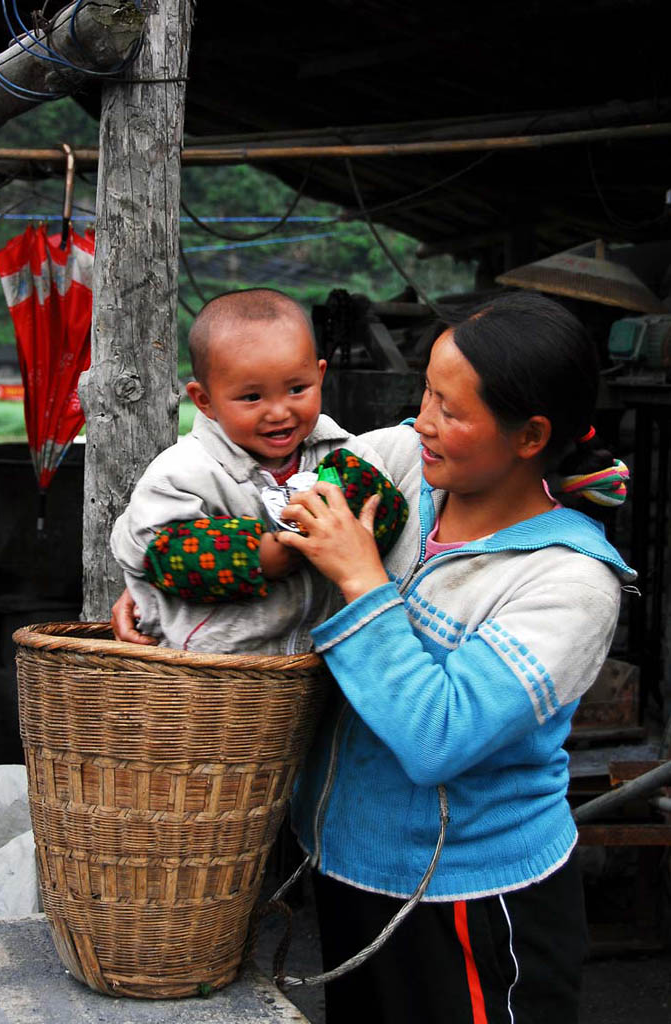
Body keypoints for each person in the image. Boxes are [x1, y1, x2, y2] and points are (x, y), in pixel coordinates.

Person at [267, 291, 634, 1023]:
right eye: (426, 393)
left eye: (450, 411)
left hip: (472, 900)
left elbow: (437, 737)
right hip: (351, 870)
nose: (421, 422)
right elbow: (286, 504)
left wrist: (362, 576)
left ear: (529, 436)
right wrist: (165, 596)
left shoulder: (568, 581)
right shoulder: (402, 463)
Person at [109, 287, 406, 654]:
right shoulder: (184, 471)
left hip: (318, 666)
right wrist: (257, 555)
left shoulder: (344, 452)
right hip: (214, 672)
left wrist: (350, 502)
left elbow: (386, 512)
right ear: (205, 401)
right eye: (252, 397)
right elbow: (155, 549)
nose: (279, 412)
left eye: (297, 389)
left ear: (320, 375)